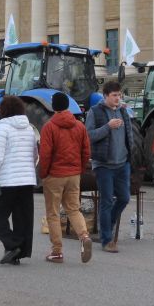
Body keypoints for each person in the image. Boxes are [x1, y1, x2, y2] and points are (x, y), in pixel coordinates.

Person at [39, 92, 92, 264]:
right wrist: (80, 169)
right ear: (68, 106)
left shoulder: (49, 127)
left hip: (55, 175)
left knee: (53, 213)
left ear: (53, 106)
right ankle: (84, 236)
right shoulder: (79, 126)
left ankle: (57, 251)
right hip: (74, 174)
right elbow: (86, 152)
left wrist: (43, 174)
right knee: (73, 209)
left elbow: (45, 154)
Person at [0, 96, 37, 265]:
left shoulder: (2, 129)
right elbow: (35, 155)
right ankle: (18, 252)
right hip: (27, 180)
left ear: (3, 110)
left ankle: (12, 245)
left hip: (7, 181)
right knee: (22, 218)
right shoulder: (29, 129)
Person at [85, 80, 134, 253]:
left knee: (124, 198)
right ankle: (107, 240)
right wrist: (107, 127)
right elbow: (88, 136)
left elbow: (129, 133)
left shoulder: (122, 110)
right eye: (114, 95)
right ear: (105, 96)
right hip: (104, 164)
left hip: (122, 163)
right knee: (106, 201)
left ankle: (109, 223)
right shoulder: (95, 111)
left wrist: (131, 154)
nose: (117, 98)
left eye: (119, 95)